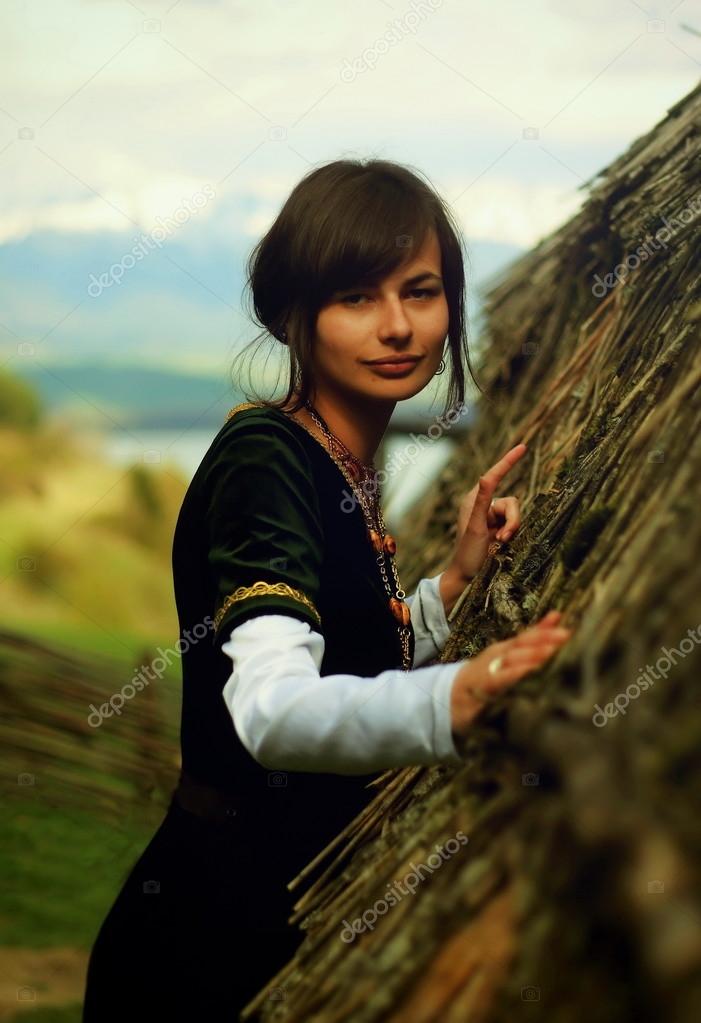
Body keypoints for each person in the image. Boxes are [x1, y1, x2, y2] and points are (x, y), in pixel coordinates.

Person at [82, 158, 572, 1020]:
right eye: (355, 296)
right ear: (292, 315)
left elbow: (343, 641)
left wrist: (450, 584)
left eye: (420, 292)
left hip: (276, 917)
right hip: (209, 939)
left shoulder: (329, 460)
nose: (397, 326)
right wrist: (449, 700)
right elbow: (272, 710)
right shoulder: (267, 462)